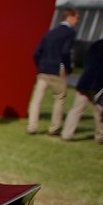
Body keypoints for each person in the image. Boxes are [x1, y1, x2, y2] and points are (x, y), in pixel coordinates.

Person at [61, 20, 103, 143]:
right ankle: (102, 135)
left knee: (77, 108)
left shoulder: (96, 43)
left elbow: (87, 62)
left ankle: (67, 133)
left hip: (86, 80)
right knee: (101, 110)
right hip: (99, 83)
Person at [26, 8, 79, 136]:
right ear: (70, 17)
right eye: (77, 18)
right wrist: (68, 68)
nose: (77, 21)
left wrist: (40, 66)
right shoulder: (69, 33)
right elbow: (66, 52)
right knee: (60, 98)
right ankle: (54, 127)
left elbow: (37, 52)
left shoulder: (50, 33)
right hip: (57, 68)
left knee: (37, 99)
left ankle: (32, 126)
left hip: (44, 69)